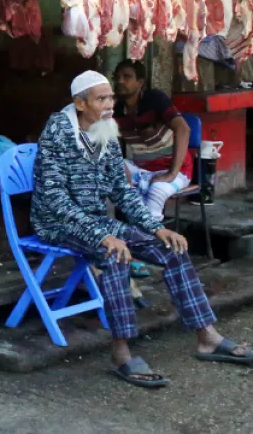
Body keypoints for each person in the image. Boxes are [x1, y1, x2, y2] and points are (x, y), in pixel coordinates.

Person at [30, 70, 252, 388]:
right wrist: (103, 236)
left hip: (97, 222)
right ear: (79, 103)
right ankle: (121, 353)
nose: (109, 105)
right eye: (101, 99)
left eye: (111, 98)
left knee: (171, 247)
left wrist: (155, 227)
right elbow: (55, 201)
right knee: (115, 253)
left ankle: (207, 336)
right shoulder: (57, 133)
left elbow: (121, 191)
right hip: (58, 223)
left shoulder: (105, 132)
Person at [113, 59, 193, 220]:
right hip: (142, 169)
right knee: (112, 174)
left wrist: (171, 173)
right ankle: (128, 232)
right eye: (117, 77)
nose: (120, 81)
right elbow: (109, 144)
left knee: (156, 190)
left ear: (140, 82)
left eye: (126, 77)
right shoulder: (117, 109)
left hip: (177, 170)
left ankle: (152, 236)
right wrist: (121, 167)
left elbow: (183, 129)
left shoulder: (155, 99)